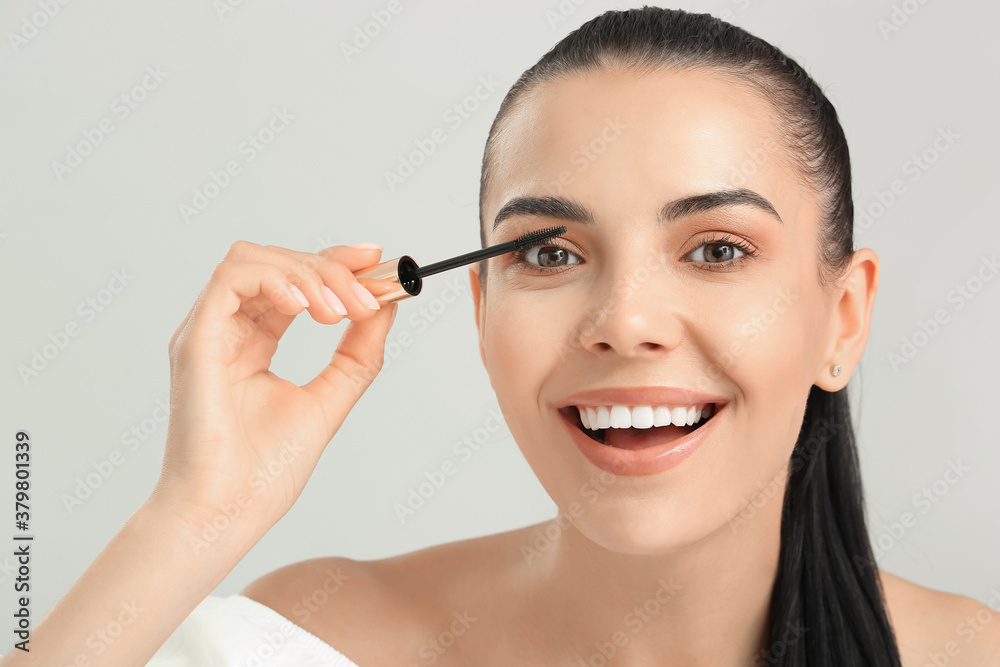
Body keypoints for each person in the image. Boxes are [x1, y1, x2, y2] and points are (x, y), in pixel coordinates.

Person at [4, 7, 997, 667]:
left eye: (718, 249)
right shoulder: (318, 642)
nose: (624, 323)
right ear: (480, 315)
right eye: (551, 256)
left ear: (845, 317)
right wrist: (197, 516)